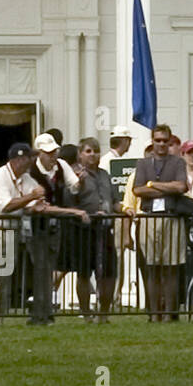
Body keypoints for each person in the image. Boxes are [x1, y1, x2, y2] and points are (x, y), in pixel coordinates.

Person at [0, 143, 46, 324]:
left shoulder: (26, 178)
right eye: (29, 158)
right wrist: (32, 197)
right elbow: (7, 205)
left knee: (5, 277)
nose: (32, 161)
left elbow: (36, 201)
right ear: (18, 160)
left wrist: (38, 204)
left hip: (10, 232)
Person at [27, 133, 88, 325]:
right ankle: (39, 313)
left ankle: (45, 312)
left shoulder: (61, 166)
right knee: (40, 269)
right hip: (35, 225)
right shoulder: (30, 172)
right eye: (48, 152)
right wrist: (73, 212)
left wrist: (81, 181)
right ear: (39, 153)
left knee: (49, 268)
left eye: (54, 151)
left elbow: (74, 187)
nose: (52, 155)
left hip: (55, 225)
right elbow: (39, 205)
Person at [132, 124, 190, 321]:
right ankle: (153, 313)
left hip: (171, 217)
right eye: (158, 140)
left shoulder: (178, 162)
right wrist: (168, 188)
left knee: (171, 267)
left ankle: (169, 313)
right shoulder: (143, 163)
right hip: (149, 217)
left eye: (165, 141)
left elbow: (182, 186)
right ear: (152, 141)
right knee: (152, 267)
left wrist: (154, 185)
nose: (162, 144)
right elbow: (137, 190)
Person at [73, 137, 120, 322]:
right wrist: (78, 184)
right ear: (80, 154)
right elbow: (70, 199)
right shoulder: (75, 175)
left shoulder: (105, 175)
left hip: (105, 227)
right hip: (85, 229)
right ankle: (86, 314)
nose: (93, 155)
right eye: (88, 151)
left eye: (96, 150)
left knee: (109, 271)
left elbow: (115, 200)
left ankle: (104, 313)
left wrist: (124, 209)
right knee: (84, 272)